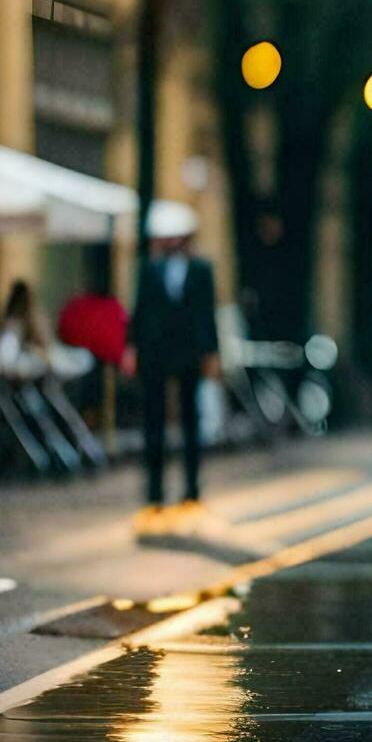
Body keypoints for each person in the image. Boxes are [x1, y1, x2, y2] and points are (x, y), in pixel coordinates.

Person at [126, 204, 219, 534]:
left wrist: (212, 352)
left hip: (189, 353)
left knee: (190, 420)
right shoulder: (149, 270)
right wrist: (131, 347)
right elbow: (138, 310)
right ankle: (154, 490)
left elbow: (209, 313)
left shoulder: (202, 270)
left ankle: (192, 488)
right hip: (155, 353)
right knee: (153, 422)